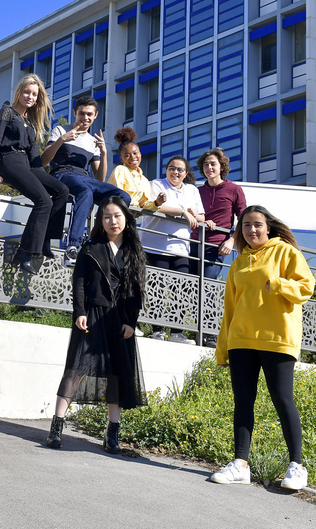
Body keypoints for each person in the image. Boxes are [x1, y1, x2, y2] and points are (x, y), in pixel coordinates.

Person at [210, 205, 315, 491]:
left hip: (277, 338)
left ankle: (297, 465)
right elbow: (229, 309)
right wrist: (223, 349)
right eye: (246, 225)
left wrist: (279, 284)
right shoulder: (238, 263)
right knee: (243, 401)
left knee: (283, 400)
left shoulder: (286, 252)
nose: (252, 230)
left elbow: (306, 287)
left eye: (257, 224)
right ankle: (240, 465)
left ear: (268, 227)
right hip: (241, 340)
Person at [46, 196, 147, 454]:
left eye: (117, 216)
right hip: (91, 315)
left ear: (126, 218)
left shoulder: (134, 250)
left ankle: (112, 434)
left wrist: (131, 322)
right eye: (106, 217)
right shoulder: (91, 246)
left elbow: (136, 289)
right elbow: (78, 281)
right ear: (100, 222)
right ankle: (56, 427)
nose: (113, 221)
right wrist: (79, 311)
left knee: (116, 376)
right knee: (75, 370)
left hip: (119, 320)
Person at [0, 73, 70, 274]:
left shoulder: (31, 123)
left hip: (28, 165)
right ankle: (25, 252)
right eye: (27, 92)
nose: (30, 97)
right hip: (9, 161)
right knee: (44, 201)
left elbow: (35, 158)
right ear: (19, 91)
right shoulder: (6, 113)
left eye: (34, 95)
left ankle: (46, 239)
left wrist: (45, 179)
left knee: (61, 190)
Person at [41, 96, 130, 267]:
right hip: (63, 174)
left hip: (85, 178)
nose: (85, 118)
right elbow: (44, 161)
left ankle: (98, 240)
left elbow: (99, 178)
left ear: (95, 115)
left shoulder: (93, 141)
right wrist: (62, 140)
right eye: (82, 113)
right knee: (85, 192)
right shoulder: (60, 130)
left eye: (89, 114)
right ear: (75, 113)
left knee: (122, 197)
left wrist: (104, 153)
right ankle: (72, 245)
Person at [141, 155, 205, 344]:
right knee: (157, 289)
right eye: (171, 168)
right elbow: (156, 207)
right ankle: (157, 330)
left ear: (185, 173)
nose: (175, 172)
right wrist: (184, 212)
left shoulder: (192, 190)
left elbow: (200, 216)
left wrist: (194, 215)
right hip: (155, 245)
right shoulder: (156, 185)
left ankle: (177, 331)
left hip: (181, 247)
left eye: (179, 170)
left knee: (183, 289)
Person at [191, 147, 246, 348]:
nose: (209, 167)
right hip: (193, 242)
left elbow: (244, 219)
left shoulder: (234, 189)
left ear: (221, 166)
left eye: (213, 164)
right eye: (205, 165)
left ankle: (209, 334)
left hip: (216, 246)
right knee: (191, 288)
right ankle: (191, 331)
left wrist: (232, 240)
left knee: (209, 288)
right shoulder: (197, 191)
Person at [108, 127, 166, 212]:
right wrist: (133, 206)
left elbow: (144, 205)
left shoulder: (144, 181)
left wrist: (157, 202)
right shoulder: (120, 170)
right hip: (117, 214)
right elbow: (117, 195)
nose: (132, 157)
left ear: (140, 154)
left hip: (131, 218)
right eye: (127, 155)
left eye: (135, 153)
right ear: (121, 159)